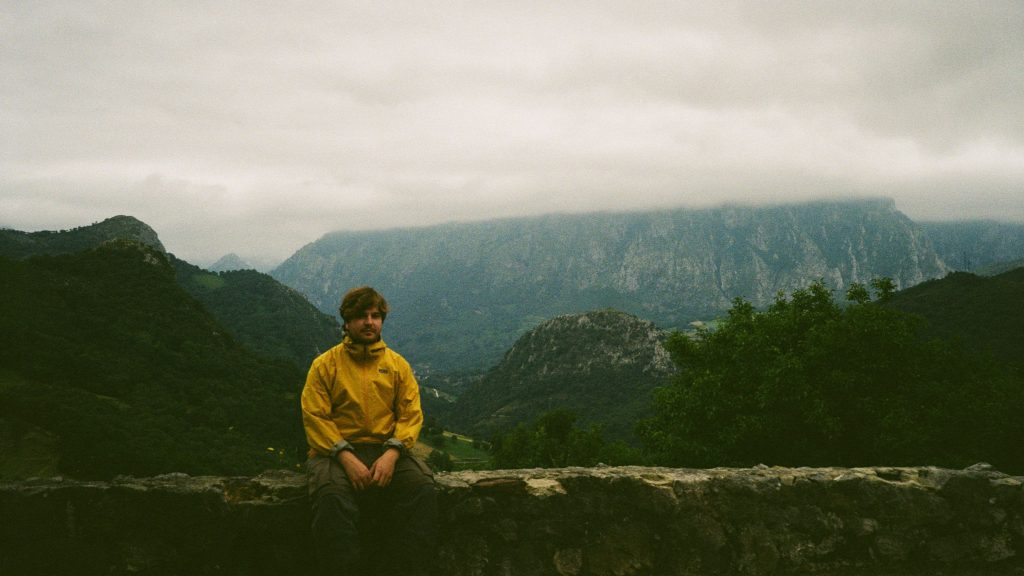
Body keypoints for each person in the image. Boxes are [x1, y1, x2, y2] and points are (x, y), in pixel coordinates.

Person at [301, 286, 437, 575]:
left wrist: (393, 452)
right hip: (332, 453)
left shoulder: (397, 366)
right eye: (361, 316)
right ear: (347, 321)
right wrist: (344, 455)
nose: (369, 322)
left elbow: (411, 414)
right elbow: (315, 416)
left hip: (386, 449)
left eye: (375, 316)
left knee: (422, 488)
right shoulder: (325, 365)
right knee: (331, 497)